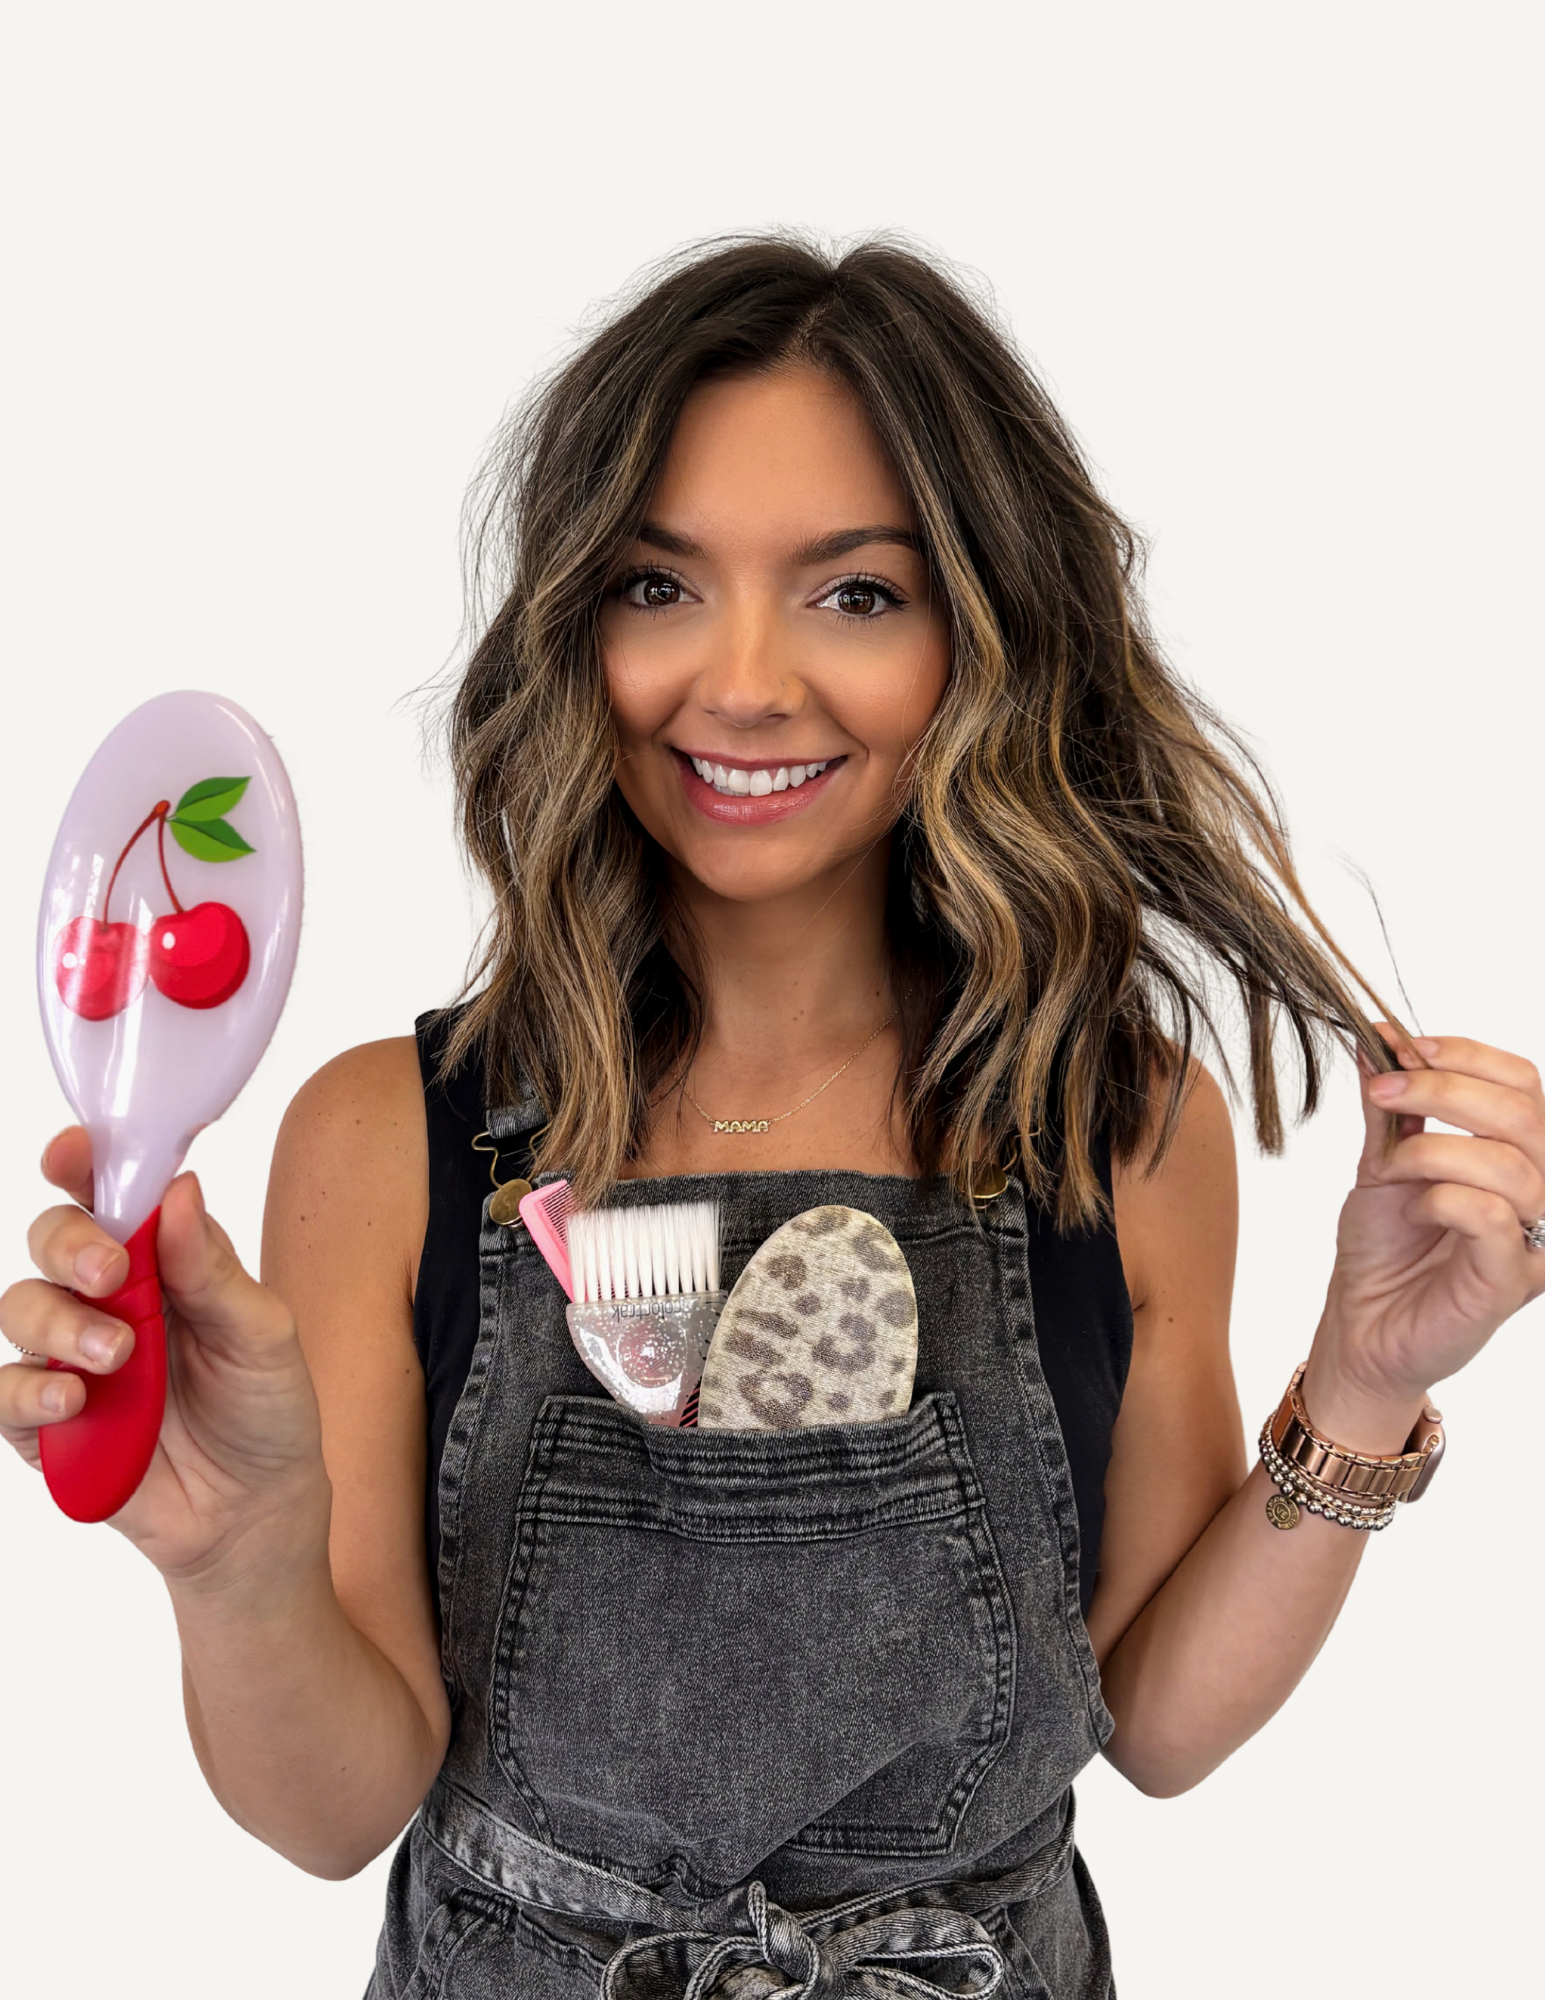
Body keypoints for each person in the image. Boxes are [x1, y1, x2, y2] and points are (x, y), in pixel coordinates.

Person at [4, 238, 1542, 1999]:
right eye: (660, 587)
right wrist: (236, 1561)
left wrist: (1364, 1383)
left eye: (854, 594)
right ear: (575, 621)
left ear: (984, 632)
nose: (739, 682)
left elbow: (1155, 1720)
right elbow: (333, 1809)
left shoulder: (1110, 1122)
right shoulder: (391, 1139)